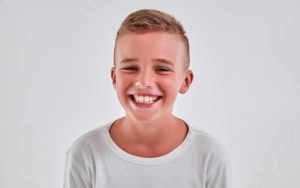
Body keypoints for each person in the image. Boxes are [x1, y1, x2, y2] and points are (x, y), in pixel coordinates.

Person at [63, 9, 232, 188]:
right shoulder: (86, 153)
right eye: (130, 68)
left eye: (162, 69)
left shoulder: (209, 156)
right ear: (114, 78)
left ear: (185, 81)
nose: (144, 82)